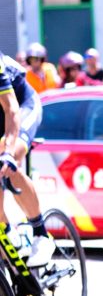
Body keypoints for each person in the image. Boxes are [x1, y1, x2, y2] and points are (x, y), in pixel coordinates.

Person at [0, 53, 54, 266]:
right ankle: (6, 233)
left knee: (7, 159)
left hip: (21, 105)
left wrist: (8, 152)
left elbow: (12, 110)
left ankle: (41, 234)